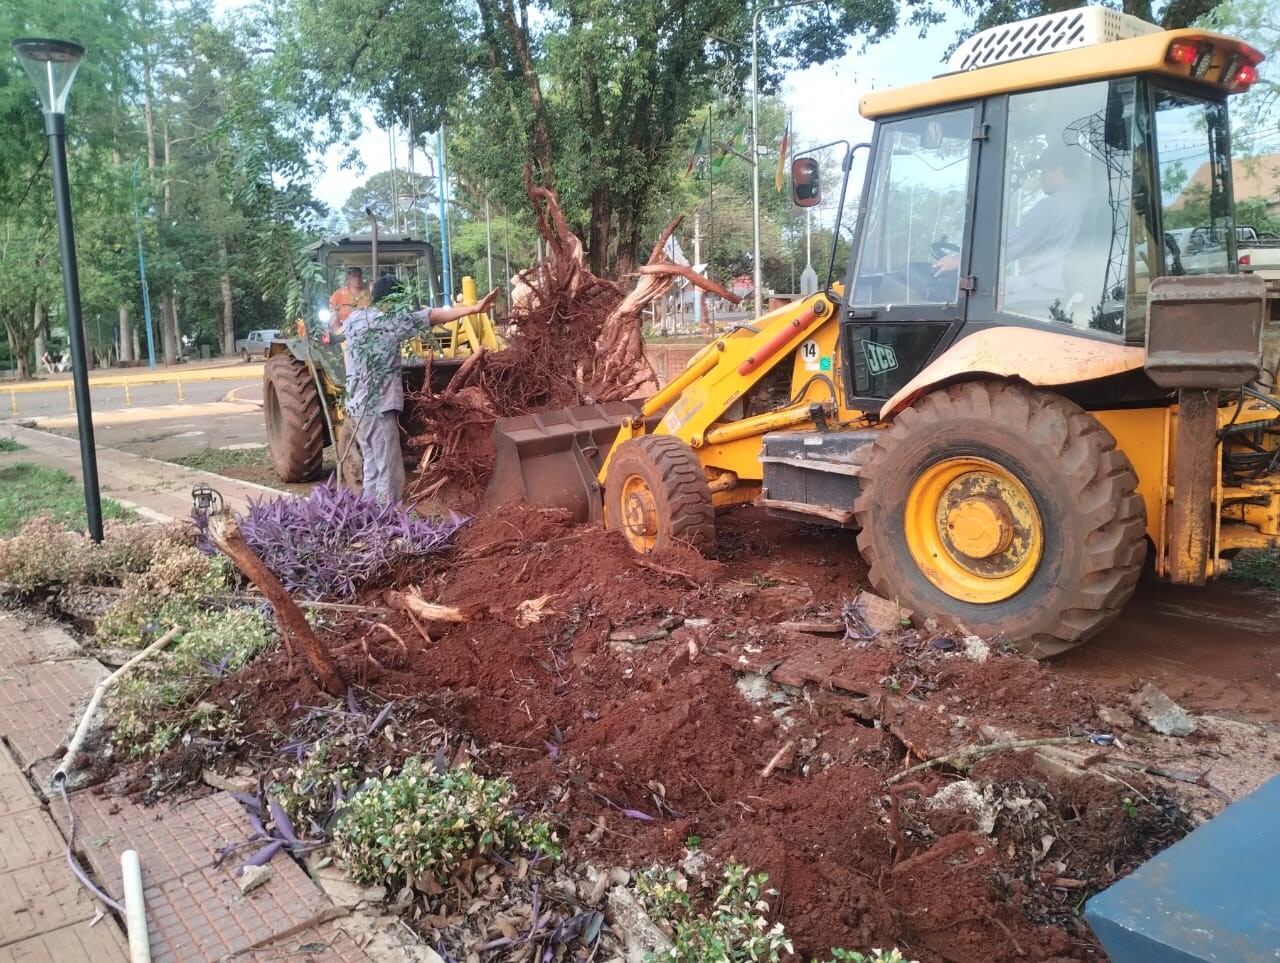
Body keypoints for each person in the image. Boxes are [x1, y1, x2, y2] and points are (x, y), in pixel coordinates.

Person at [343, 276, 499, 504]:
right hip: (378, 407)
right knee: (389, 471)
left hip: (356, 406)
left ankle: (368, 516)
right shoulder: (390, 322)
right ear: (392, 299)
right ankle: (385, 522)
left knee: (372, 466)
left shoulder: (354, 320)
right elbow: (432, 315)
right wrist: (474, 309)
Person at [934, 143, 1091, 319]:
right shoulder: (1087, 199)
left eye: (1044, 171)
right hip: (1062, 285)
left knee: (970, 301)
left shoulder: (1054, 205)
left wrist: (960, 261)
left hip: (1045, 289)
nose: (1041, 177)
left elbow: (1010, 246)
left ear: (1059, 170)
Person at [328, 267, 370, 331]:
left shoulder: (368, 293)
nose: (357, 279)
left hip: (365, 329)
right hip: (343, 330)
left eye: (359, 276)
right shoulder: (339, 294)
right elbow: (332, 310)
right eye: (354, 276)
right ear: (348, 278)